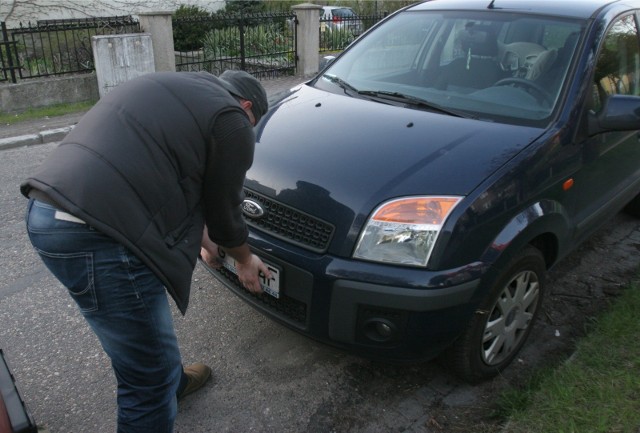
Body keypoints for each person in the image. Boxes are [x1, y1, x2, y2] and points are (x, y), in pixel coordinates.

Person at [21, 69, 271, 433]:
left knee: (131, 326)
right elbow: (224, 208)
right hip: (99, 233)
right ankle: (158, 386)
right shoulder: (232, 120)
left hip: (46, 213)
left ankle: (170, 380)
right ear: (247, 107)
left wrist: (204, 244)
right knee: (145, 381)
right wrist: (244, 259)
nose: (248, 131)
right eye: (253, 122)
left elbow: (177, 179)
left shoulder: (171, 87)